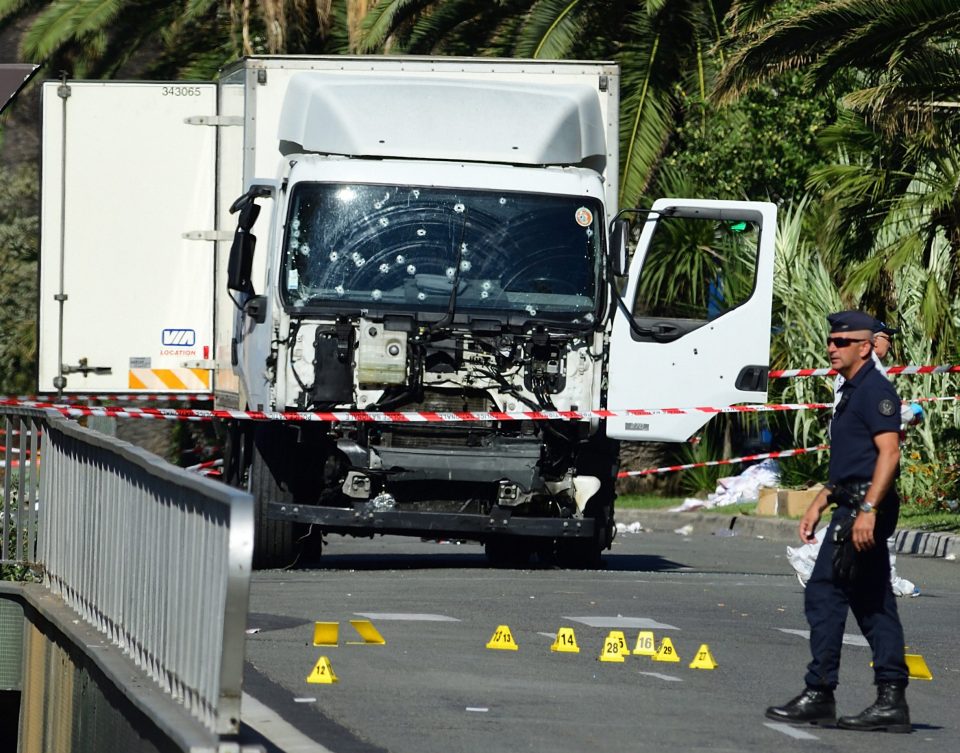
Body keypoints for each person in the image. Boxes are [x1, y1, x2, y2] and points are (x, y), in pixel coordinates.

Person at [766, 310, 911, 733]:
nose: (832, 347)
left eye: (842, 342)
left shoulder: (874, 392)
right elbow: (851, 460)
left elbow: (889, 454)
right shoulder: (850, 390)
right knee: (872, 602)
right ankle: (889, 699)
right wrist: (820, 501)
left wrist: (867, 511)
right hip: (849, 502)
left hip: (864, 509)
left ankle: (821, 692)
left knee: (827, 592)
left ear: (864, 347)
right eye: (831, 341)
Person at [788, 315, 921, 596]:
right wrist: (908, 413)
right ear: (870, 340)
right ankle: (811, 556)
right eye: (885, 337)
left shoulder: (868, 369)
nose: (888, 343)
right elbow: (877, 410)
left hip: (860, 445)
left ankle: (885, 576)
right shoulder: (867, 370)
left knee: (873, 512)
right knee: (867, 508)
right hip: (864, 449)